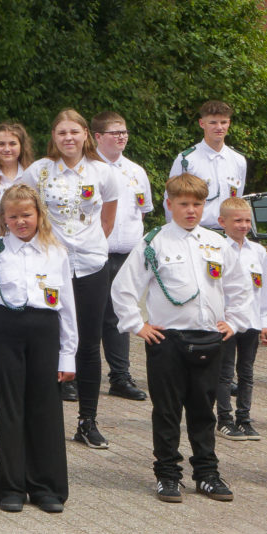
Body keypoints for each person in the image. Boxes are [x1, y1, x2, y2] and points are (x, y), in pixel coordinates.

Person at [112, 173, 246, 503]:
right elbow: (123, 288)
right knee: (167, 411)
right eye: (183, 204)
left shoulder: (216, 243)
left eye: (197, 204)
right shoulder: (153, 242)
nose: (190, 210)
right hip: (166, 341)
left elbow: (239, 288)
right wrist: (137, 324)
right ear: (169, 204)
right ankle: (168, 475)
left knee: (204, 411)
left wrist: (235, 322)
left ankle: (207, 473)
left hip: (208, 339)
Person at [0, 183, 77, 514]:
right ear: (3, 218)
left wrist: (68, 354)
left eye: (26, 215)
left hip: (44, 333)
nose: (20, 222)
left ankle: (46, 487)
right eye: (13, 216)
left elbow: (68, 309)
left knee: (45, 409)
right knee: (11, 410)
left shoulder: (55, 251)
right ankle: (11, 486)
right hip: (7, 334)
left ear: (39, 215)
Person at [27, 109, 122, 450]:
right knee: (49, 339)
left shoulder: (103, 172)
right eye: (61, 132)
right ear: (53, 137)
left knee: (88, 341)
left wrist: (88, 245)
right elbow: (17, 208)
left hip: (92, 265)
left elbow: (107, 220)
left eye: (74, 132)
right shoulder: (39, 171)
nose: (68, 138)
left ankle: (87, 420)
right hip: (51, 267)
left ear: (86, 135)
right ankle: (46, 418)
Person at [93, 112, 155, 404]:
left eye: (124, 131)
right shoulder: (87, 169)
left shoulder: (136, 171)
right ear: (97, 137)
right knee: (89, 316)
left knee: (120, 314)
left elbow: (141, 211)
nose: (121, 136)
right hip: (93, 253)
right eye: (114, 132)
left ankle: (120, 376)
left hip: (127, 253)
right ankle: (75, 375)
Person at [214, 195, 267, 440]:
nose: (243, 225)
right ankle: (224, 418)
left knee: (246, 372)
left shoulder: (257, 251)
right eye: (237, 220)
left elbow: (264, 288)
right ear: (222, 222)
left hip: (250, 321)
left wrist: (265, 321)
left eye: (247, 220)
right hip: (227, 323)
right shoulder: (217, 249)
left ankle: (244, 418)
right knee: (225, 372)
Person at [170, 101, 249, 205]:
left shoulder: (238, 160)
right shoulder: (186, 160)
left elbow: (237, 201)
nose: (219, 127)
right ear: (202, 123)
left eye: (224, 122)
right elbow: (172, 201)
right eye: (213, 123)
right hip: (196, 221)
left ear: (229, 123)